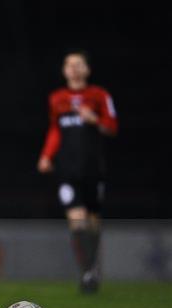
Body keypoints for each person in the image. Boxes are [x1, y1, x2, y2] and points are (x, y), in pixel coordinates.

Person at [37, 50, 118, 293]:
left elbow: (112, 127)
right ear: (64, 70)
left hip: (93, 170)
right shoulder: (57, 98)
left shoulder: (99, 95)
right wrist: (47, 155)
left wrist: (94, 119)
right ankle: (86, 273)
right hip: (67, 170)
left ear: (87, 69)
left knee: (93, 223)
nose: (73, 68)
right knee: (77, 222)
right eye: (69, 64)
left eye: (78, 64)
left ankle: (92, 270)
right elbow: (55, 130)